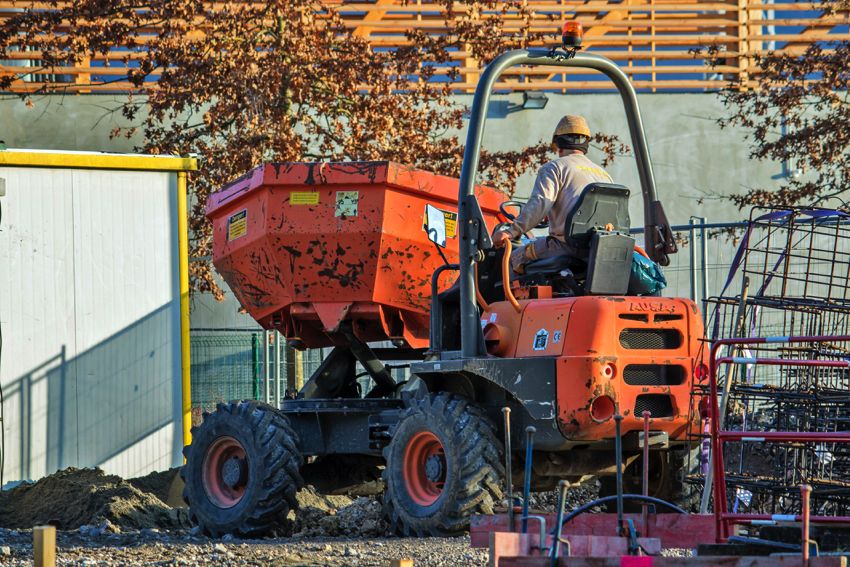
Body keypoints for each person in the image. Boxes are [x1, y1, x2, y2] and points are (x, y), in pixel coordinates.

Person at [492, 115, 616, 275]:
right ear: (586, 144)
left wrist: (511, 231)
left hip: (565, 247)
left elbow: (538, 204)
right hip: (598, 251)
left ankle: (509, 300)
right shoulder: (604, 175)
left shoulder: (555, 168)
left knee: (510, 260)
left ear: (559, 145)